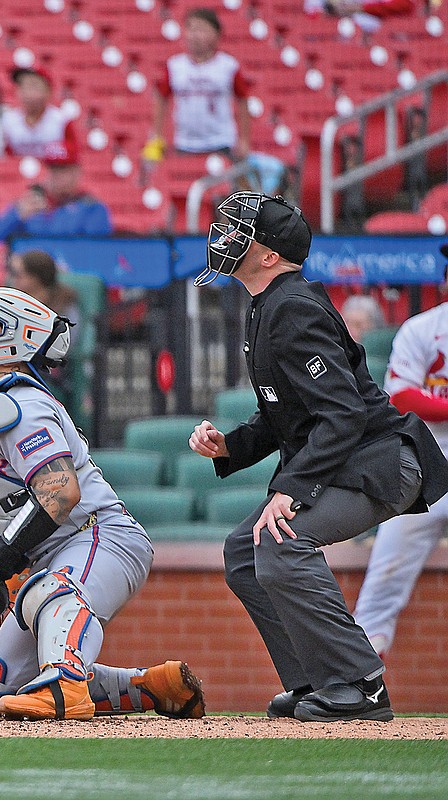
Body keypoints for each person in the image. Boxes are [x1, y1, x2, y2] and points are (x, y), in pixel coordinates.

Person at [187, 192, 448, 722]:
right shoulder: (268, 303)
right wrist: (231, 446)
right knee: (245, 552)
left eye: (242, 228)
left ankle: (361, 684)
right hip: (353, 461)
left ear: (268, 255)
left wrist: (291, 488)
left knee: (283, 543)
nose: (226, 233)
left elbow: (345, 412)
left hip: (383, 462)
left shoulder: (293, 306)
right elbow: (287, 414)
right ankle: (316, 681)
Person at [0, 287, 205, 721]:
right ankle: (152, 689)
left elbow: (59, 494)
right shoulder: (0, 404)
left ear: (14, 339)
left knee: (50, 592)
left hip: (100, 534)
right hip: (59, 550)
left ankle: (66, 687)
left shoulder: (18, 402)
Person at [354, 244, 448, 659]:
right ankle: (356, 682)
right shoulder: (423, 328)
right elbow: (403, 397)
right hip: (426, 463)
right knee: (381, 584)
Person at [147, 8, 251, 161]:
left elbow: (243, 100)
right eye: (190, 28)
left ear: (216, 34)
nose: (194, 35)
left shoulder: (228, 66)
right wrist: (157, 136)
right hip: (185, 144)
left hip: (221, 142)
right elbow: (162, 98)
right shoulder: (175, 66)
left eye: (201, 29)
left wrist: (244, 140)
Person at [0, 159, 113, 242]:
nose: (55, 176)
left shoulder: (92, 208)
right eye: (53, 170)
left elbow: (94, 248)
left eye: (62, 170)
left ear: (76, 173)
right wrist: (16, 216)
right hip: (30, 272)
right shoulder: (28, 203)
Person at [0, 67, 79, 163]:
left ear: (48, 91)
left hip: (53, 174)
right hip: (19, 175)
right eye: (22, 86)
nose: (27, 92)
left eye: (33, 86)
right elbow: (4, 156)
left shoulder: (61, 120)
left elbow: (74, 153)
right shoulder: (8, 120)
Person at [9, 250, 80, 322]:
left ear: (36, 278)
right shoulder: (14, 304)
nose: (13, 279)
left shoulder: (65, 306)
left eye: (18, 275)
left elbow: (70, 331)